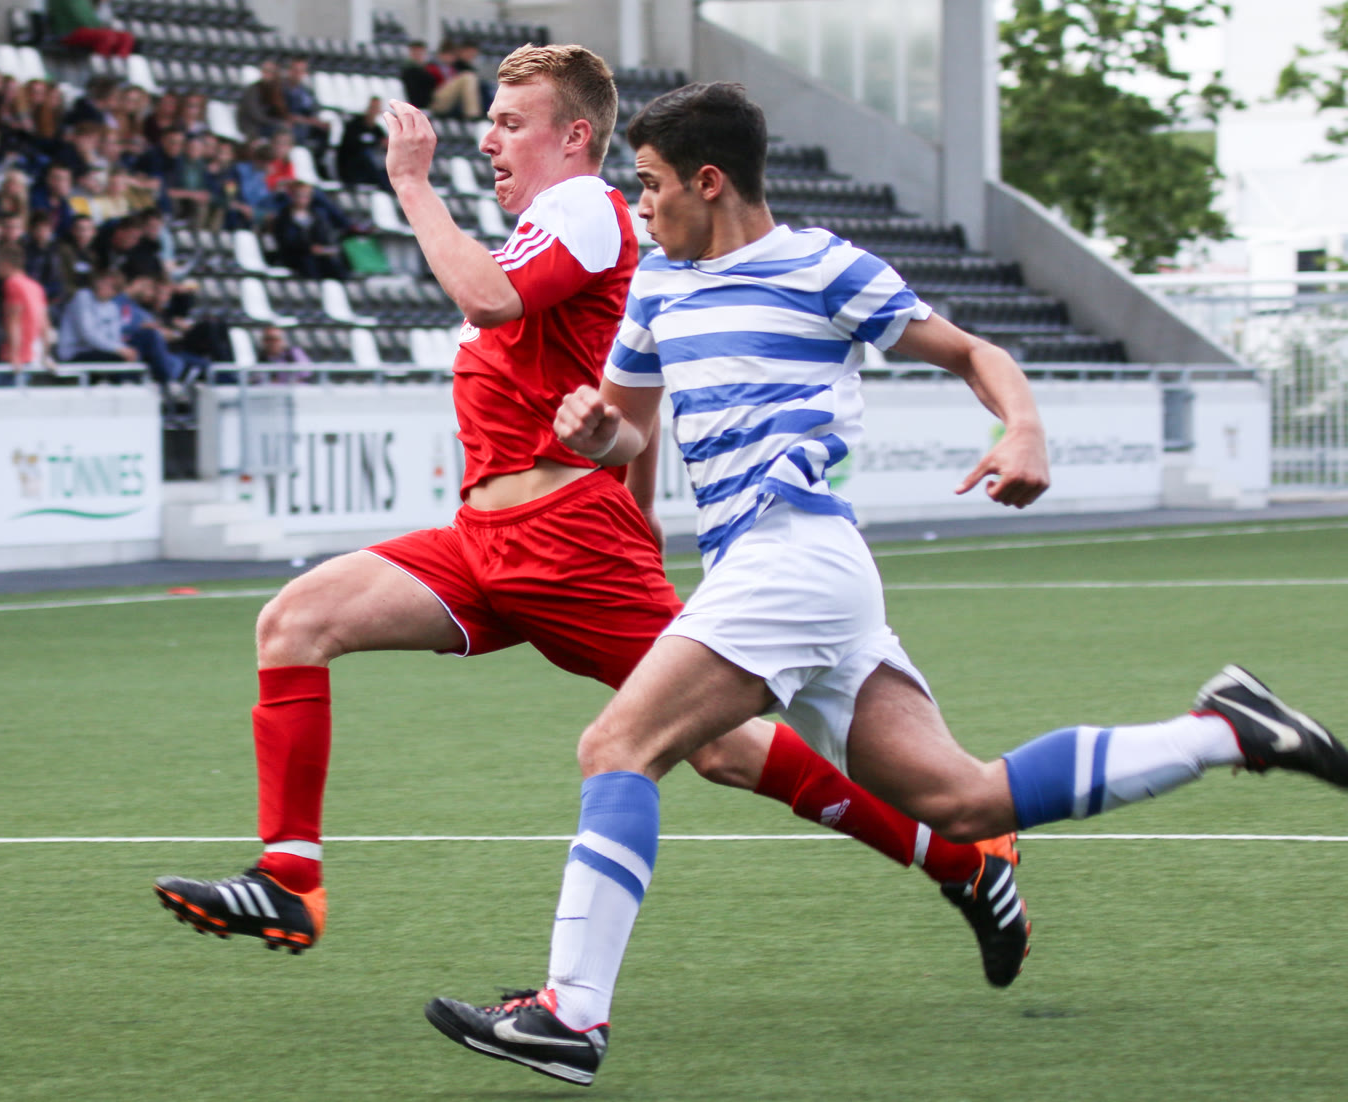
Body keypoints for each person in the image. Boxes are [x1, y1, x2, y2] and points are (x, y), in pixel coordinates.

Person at [421, 80, 1348, 1087]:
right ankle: (1227, 729)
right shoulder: (657, 286)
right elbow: (626, 433)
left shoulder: (822, 265)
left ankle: (570, 1014)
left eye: (651, 186)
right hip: (794, 573)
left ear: (709, 181)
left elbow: (971, 352)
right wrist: (595, 432)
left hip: (792, 553)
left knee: (618, 745)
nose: (640, 206)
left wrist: (1023, 428)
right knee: (962, 802)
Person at [149, 47, 1027, 967]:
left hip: (568, 545)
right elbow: (616, 394)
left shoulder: (583, 207)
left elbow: (489, 300)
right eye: (489, 122)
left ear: (575, 137)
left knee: (722, 746)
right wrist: (637, 499)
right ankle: (289, 881)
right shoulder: (545, 233)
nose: (488, 141)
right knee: (296, 620)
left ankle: (961, 858)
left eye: (510, 123)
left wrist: (411, 183)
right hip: (486, 541)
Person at [54, 266, 134, 365]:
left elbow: (115, 337)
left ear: (116, 292)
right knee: (118, 358)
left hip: (99, 351)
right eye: (103, 282)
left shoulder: (113, 308)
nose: (103, 286)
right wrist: (118, 349)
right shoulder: (82, 297)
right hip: (74, 352)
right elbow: (88, 335)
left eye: (110, 286)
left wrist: (123, 349)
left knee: (130, 355)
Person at [0, 242, 47, 375]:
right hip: (33, 354)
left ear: (6, 263)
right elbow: (45, 324)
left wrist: (14, 355)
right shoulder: (35, 286)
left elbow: (14, 320)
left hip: (17, 358)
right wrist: (45, 355)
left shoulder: (12, 284)